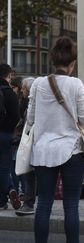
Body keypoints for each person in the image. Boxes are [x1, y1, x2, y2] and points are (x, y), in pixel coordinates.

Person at [26, 37, 84, 243]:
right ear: (72, 64)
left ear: (53, 61)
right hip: (71, 150)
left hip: (43, 150)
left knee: (43, 203)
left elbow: (30, 118)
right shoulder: (76, 84)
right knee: (71, 205)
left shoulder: (38, 83)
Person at [15, 77, 38, 216]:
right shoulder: (27, 102)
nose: (21, 91)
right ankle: (30, 202)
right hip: (32, 141)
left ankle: (29, 203)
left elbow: (28, 121)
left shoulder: (30, 104)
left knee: (30, 173)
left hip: (32, 141)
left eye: (23, 88)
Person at [0, 63, 21, 211]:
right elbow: (16, 116)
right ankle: (10, 189)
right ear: (8, 76)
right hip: (5, 134)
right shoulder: (10, 93)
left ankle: (2, 201)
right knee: (4, 168)